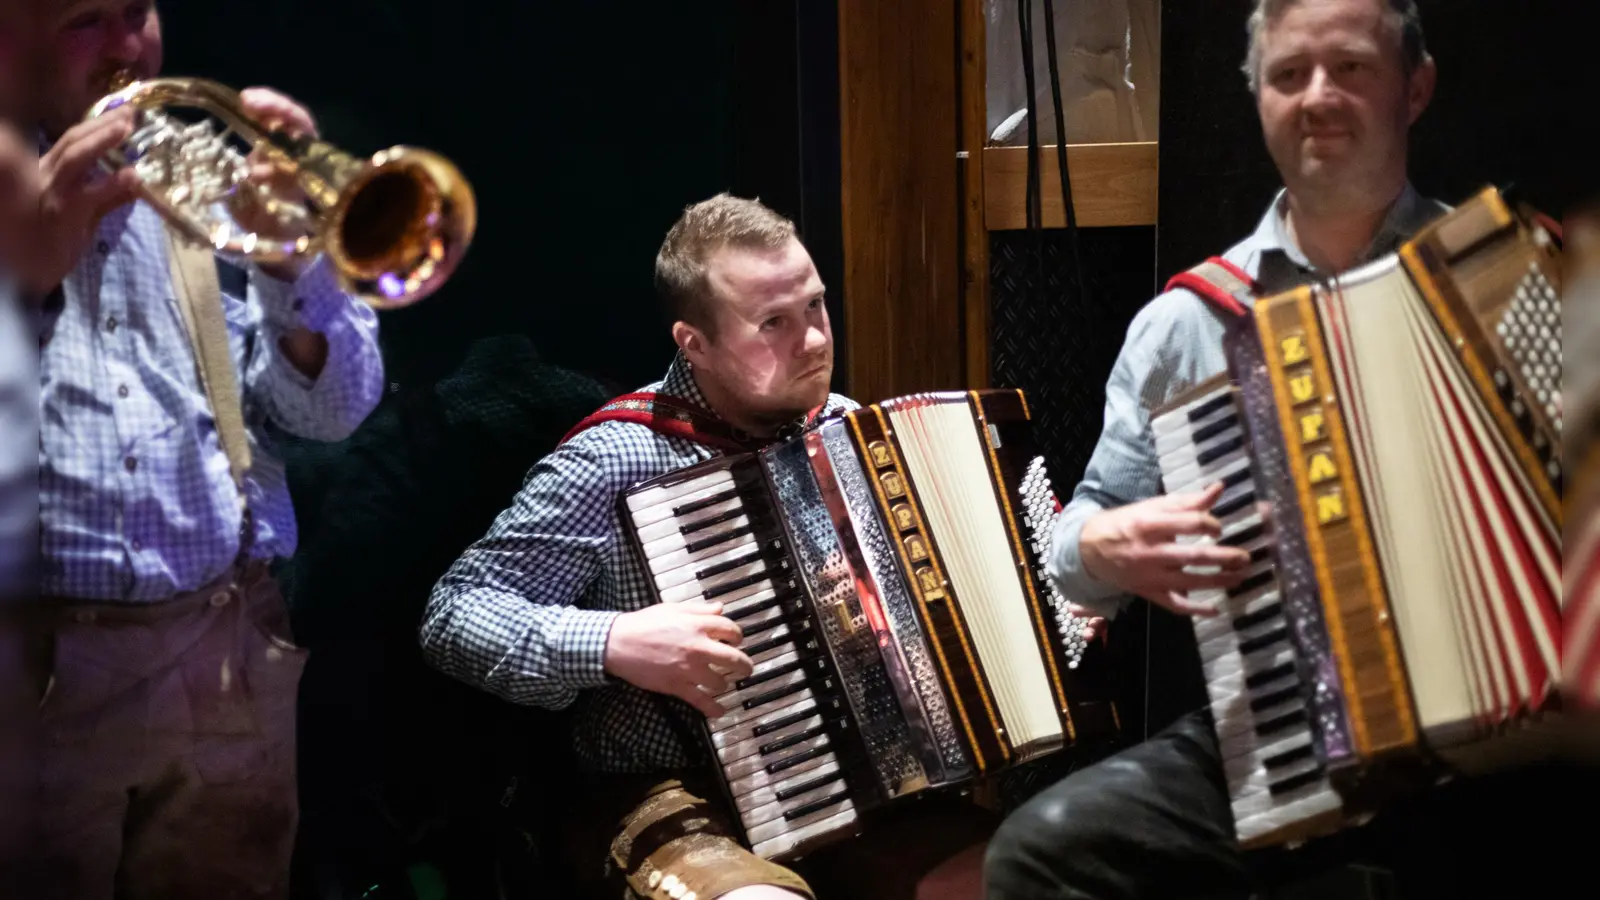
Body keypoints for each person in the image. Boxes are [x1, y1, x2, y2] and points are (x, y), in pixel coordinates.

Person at [977, 0, 1510, 897]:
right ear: (1257, 98)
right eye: (1288, 74)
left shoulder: (1498, 279)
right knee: (1041, 852)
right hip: (1288, 720)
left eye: (1351, 68)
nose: (1317, 96)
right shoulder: (1189, 324)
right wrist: (1101, 544)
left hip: (1503, 748)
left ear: (1414, 87)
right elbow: (1075, 545)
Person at [423, 193, 993, 900]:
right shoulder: (614, 459)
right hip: (664, 797)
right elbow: (454, 614)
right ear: (694, 342)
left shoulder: (848, 433)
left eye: (815, 307)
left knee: (1018, 878)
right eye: (773, 324)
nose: (813, 341)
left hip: (861, 789)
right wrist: (610, 641)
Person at [23, 0, 385, 897]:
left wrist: (289, 261)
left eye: (138, 12)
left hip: (223, 650)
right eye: (84, 19)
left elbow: (328, 415)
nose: (124, 46)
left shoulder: (195, 178)